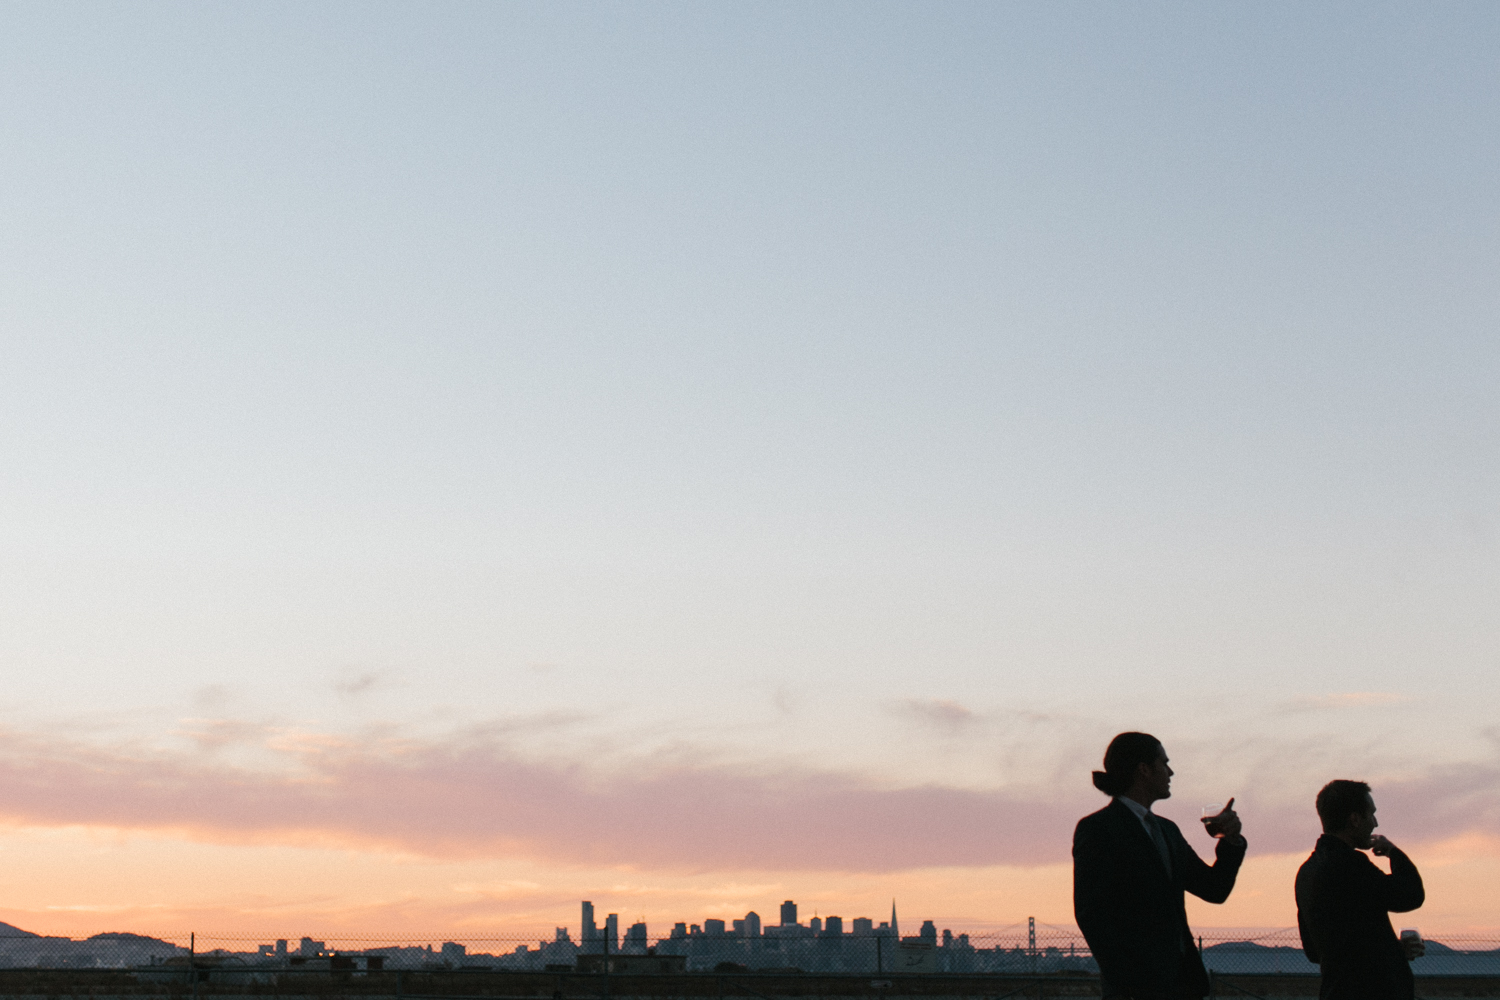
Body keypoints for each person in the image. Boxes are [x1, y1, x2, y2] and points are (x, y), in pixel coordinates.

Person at [1073, 732, 1247, 999]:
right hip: (1136, 990)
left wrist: (1231, 842)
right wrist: (1127, 983)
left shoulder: (1167, 831)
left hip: (1183, 984)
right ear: (1143, 769)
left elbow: (1214, 889)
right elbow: (1091, 914)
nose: (1171, 772)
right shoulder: (1098, 829)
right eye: (1164, 763)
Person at [1295, 780, 1425, 1000]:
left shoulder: (1307, 872)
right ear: (1354, 819)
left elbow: (1315, 951)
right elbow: (1410, 895)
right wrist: (1394, 853)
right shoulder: (1351, 865)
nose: (1375, 822)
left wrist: (1392, 950)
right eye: (1371, 814)